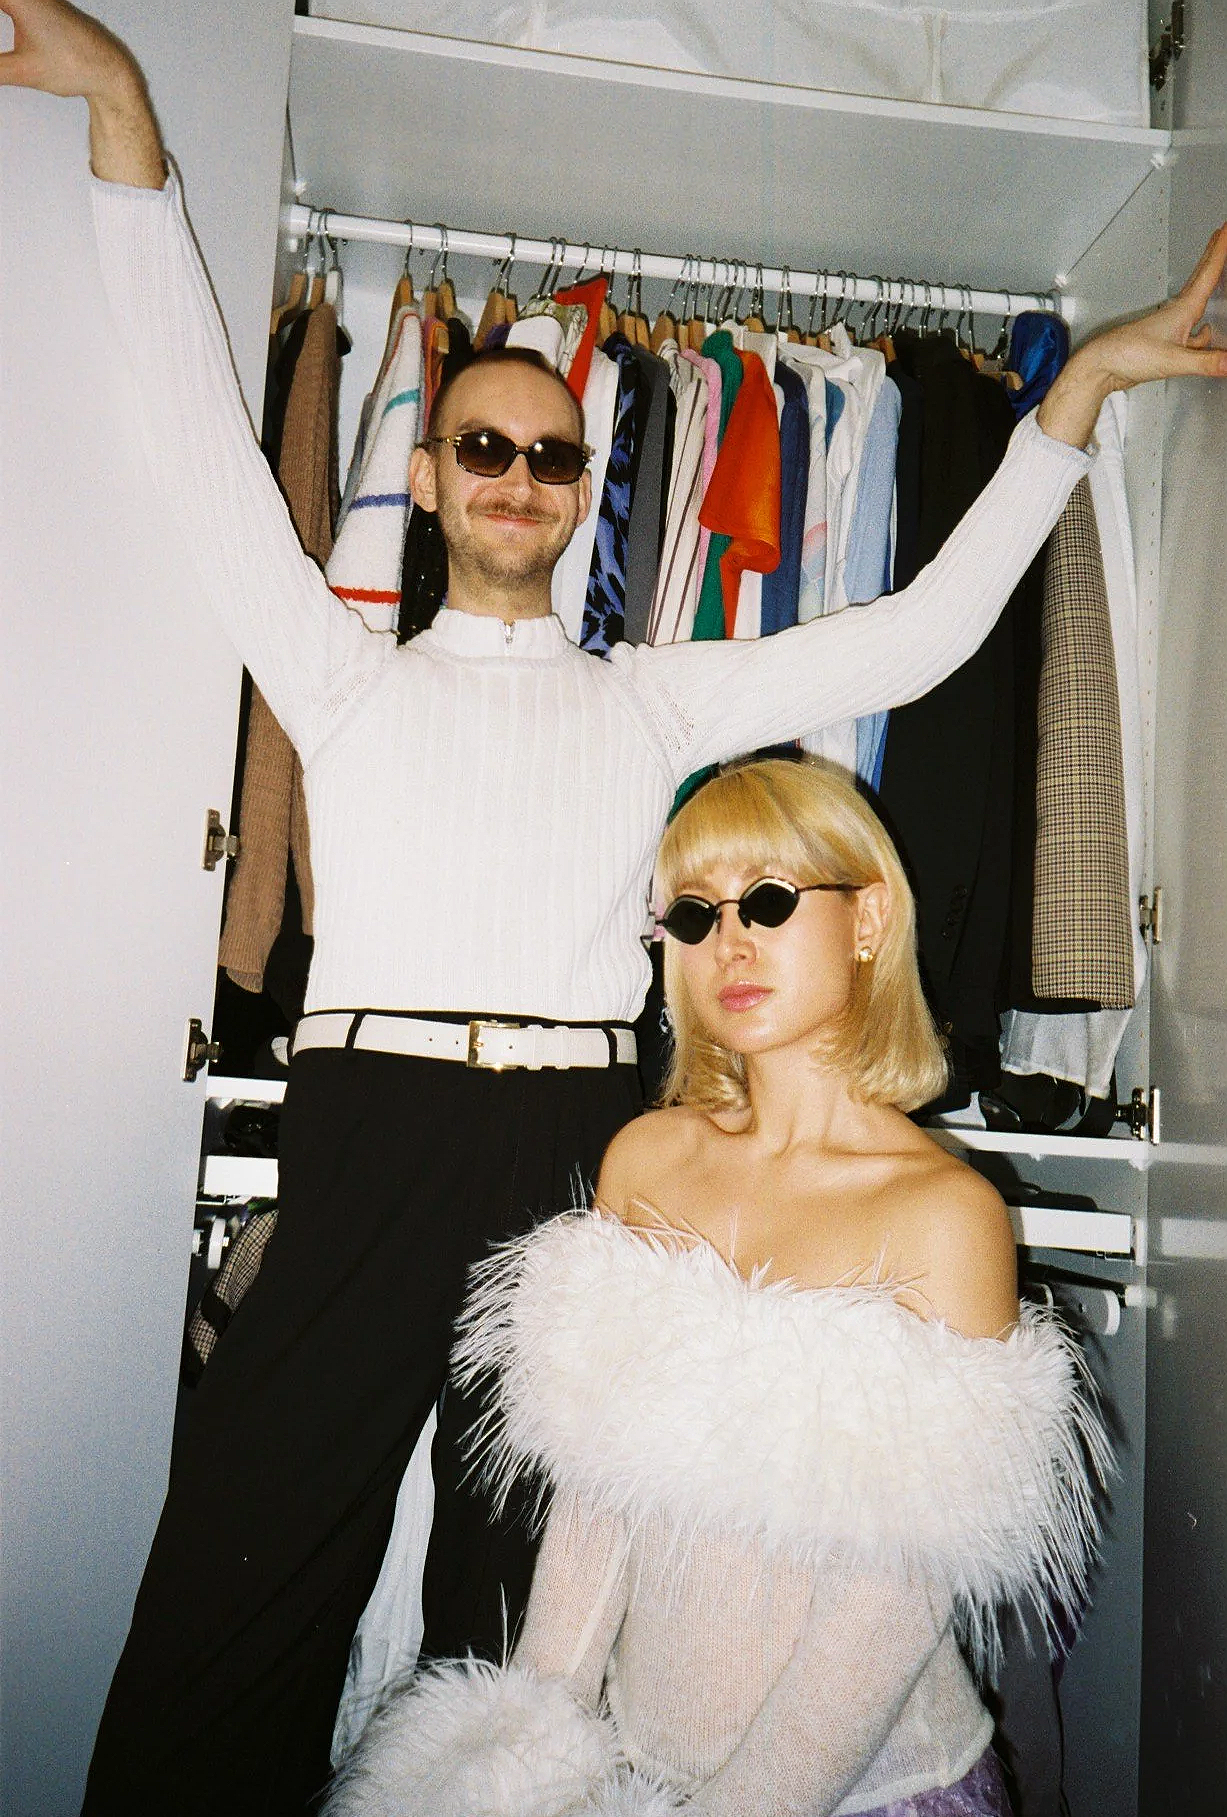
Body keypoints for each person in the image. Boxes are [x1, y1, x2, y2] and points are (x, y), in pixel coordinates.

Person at [3, 2, 1225, 1810]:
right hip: (375, 1111)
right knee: (242, 1566)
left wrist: (1082, 394)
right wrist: (123, 114)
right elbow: (193, 439)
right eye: (481, 447)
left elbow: (923, 635)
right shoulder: (342, 679)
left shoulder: (649, 697)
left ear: (583, 497)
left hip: (586, 1136)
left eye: (552, 457)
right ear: (423, 476)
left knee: (529, 1593)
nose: (515, 478)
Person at [323, 757, 1111, 1817]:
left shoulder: (945, 1213)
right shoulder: (647, 1160)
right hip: (634, 1773)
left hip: (873, 1789)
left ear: (868, 915)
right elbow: (598, 1503)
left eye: (771, 901)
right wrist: (526, 1754)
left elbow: (892, 1601)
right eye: (693, 914)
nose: (728, 941)